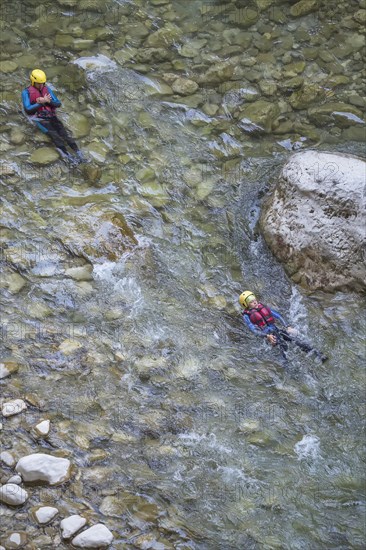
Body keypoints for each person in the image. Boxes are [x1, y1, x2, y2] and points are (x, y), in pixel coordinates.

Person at [239, 290, 328, 363]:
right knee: (283, 347)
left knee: (296, 341)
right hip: (268, 335)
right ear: (246, 305)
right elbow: (254, 330)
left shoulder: (262, 307)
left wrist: (287, 326)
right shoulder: (247, 316)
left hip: (277, 330)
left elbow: (278, 316)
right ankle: (286, 367)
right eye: (251, 302)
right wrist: (267, 336)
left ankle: (318, 354)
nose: (254, 302)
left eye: (254, 300)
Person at [22, 69, 86, 164]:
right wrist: (40, 103)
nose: (41, 86)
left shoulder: (47, 89)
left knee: (65, 135)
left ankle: (79, 154)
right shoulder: (26, 92)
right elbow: (28, 109)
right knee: (55, 136)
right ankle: (69, 157)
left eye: (43, 83)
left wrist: (48, 101)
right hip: (39, 119)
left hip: (51, 116)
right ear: (33, 82)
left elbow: (57, 104)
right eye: (38, 83)